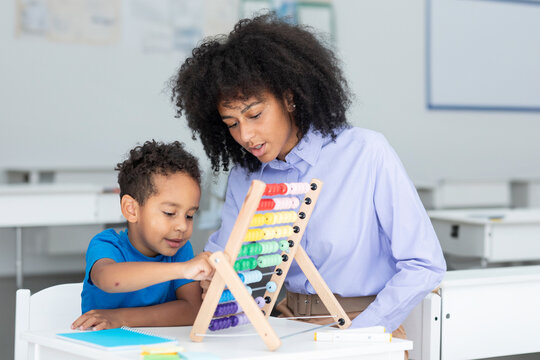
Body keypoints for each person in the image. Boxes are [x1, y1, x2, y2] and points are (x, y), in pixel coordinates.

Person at [170, 13, 446, 340]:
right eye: (231, 123)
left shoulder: (365, 152)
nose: (245, 135)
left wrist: (359, 333)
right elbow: (229, 264)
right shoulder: (246, 175)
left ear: (289, 98)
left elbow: (424, 265)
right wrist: (213, 276)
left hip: (364, 328)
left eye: (255, 114)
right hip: (286, 328)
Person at [72, 140, 214, 331]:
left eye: (189, 215)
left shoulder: (179, 250)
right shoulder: (107, 244)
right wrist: (183, 270)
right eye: (170, 213)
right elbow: (110, 279)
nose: (182, 226)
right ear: (131, 210)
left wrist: (120, 318)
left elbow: (193, 310)